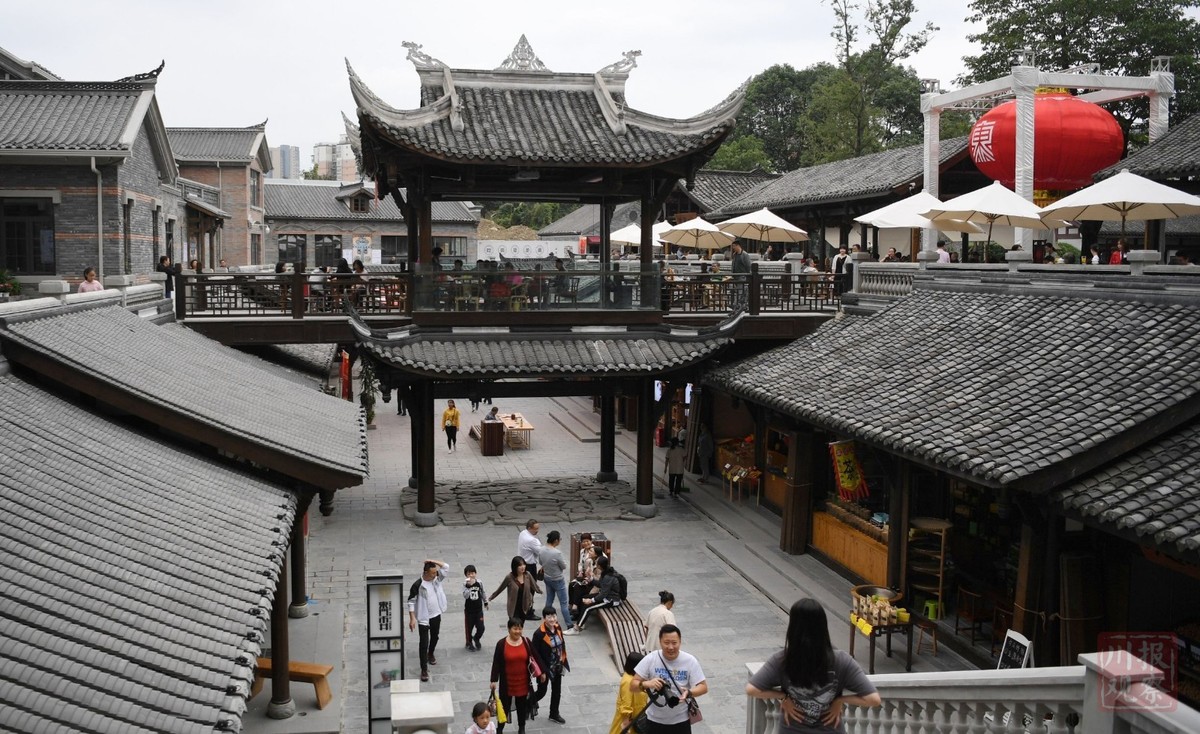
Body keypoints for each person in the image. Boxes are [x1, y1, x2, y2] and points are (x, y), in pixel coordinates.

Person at [746, 598, 882, 733]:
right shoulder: (842, 661)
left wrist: (783, 697)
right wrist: (840, 700)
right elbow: (873, 699)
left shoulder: (782, 660)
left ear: (793, 628)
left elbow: (752, 690)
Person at [633, 624, 708, 733]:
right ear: (660, 642)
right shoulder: (650, 659)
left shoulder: (690, 661)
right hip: (654, 720)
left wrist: (689, 692)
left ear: (680, 642)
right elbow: (633, 685)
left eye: (674, 643)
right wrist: (647, 684)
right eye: (666, 643)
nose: (671, 647)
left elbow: (703, 687)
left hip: (681, 721)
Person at [490, 617, 545, 734]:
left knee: (522, 706)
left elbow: (536, 656)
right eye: (515, 628)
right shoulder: (501, 644)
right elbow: (496, 663)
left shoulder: (526, 641)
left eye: (520, 629)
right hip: (507, 683)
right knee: (504, 707)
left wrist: (542, 672)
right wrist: (493, 680)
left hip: (523, 682)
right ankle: (500, 729)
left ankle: (521, 728)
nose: (518, 631)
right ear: (509, 629)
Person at [408, 559, 450, 683]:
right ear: (426, 572)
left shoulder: (437, 579)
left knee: (435, 637)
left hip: (436, 614)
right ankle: (424, 669)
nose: (435, 574)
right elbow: (411, 602)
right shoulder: (418, 585)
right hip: (423, 618)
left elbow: (446, 566)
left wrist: (432, 561)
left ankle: (430, 653)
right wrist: (412, 618)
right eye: (433, 573)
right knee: (423, 643)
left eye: (436, 572)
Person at [530, 607, 570, 724]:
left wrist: (563, 660)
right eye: (549, 617)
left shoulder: (558, 627)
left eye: (554, 616)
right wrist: (542, 671)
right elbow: (535, 654)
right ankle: (527, 704)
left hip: (557, 666)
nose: (552, 619)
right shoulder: (538, 633)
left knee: (557, 691)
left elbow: (562, 644)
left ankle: (554, 713)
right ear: (544, 618)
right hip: (545, 668)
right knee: (542, 692)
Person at [567, 554, 620, 633]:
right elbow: (600, 585)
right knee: (583, 597)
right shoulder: (605, 572)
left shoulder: (608, 577)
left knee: (588, 608)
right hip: (605, 596)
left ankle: (576, 628)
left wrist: (591, 600)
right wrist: (591, 578)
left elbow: (603, 594)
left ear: (599, 566)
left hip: (610, 600)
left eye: (596, 563)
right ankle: (581, 621)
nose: (595, 563)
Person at [538, 531, 574, 631]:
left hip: (547, 577)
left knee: (549, 599)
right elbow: (563, 566)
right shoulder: (556, 553)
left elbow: (540, 562)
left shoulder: (541, 549)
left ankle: (546, 618)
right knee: (563, 603)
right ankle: (569, 624)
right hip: (557, 579)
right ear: (556, 540)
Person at [489, 556, 542, 622]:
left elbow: (534, 585)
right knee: (514, 625)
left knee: (521, 625)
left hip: (524, 606)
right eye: (520, 565)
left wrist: (539, 591)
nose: (523, 567)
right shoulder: (509, 577)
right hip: (513, 607)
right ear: (515, 567)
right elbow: (501, 588)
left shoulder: (527, 575)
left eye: (524, 564)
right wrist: (492, 597)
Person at [608, 651, 648, 734]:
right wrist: (626, 723)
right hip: (629, 721)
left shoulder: (634, 678)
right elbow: (626, 703)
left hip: (636, 717)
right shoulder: (628, 682)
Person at [464, 564, 488, 651]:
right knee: (469, 628)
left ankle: (476, 638)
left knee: (481, 627)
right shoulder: (465, 584)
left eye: (472, 573)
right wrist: (469, 586)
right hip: (469, 610)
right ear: (466, 575)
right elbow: (465, 596)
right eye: (469, 574)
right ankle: (469, 642)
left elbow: (482, 592)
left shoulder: (479, 582)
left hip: (478, 610)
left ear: (475, 573)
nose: (471, 575)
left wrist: (485, 601)